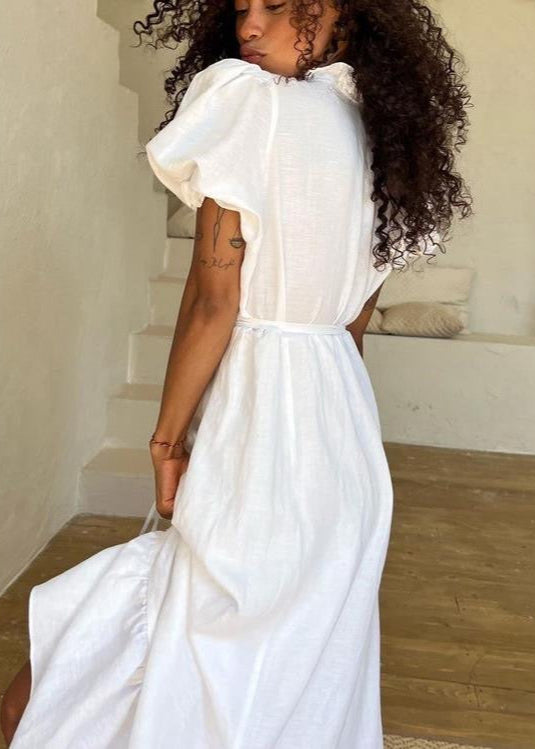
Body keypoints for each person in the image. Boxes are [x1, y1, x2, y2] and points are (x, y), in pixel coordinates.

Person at [2, 1, 472, 746]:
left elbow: (214, 302)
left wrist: (166, 440)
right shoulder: (389, 143)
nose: (248, 26)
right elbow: (351, 327)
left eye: (275, 5)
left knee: (167, 630)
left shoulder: (252, 108)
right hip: (341, 434)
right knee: (290, 664)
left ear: (337, 9)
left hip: (261, 413)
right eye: (241, 8)